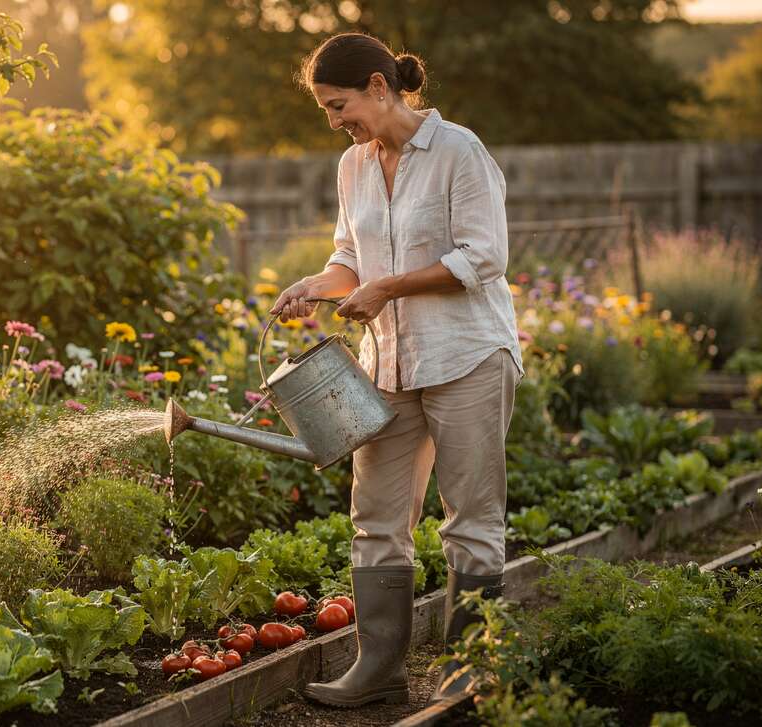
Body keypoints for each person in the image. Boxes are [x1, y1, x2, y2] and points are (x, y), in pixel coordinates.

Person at [270, 32, 524, 707]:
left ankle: (471, 667)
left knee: (470, 515)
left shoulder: (459, 152)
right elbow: (350, 257)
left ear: (379, 87)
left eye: (339, 105)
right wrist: (317, 285)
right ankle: (379, 668)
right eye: (326, 109)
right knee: (377, 515)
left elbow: (483, 257)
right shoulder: (354, 165)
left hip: (468, 355)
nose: (334, 121)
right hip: (388, 364)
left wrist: (387, 288)